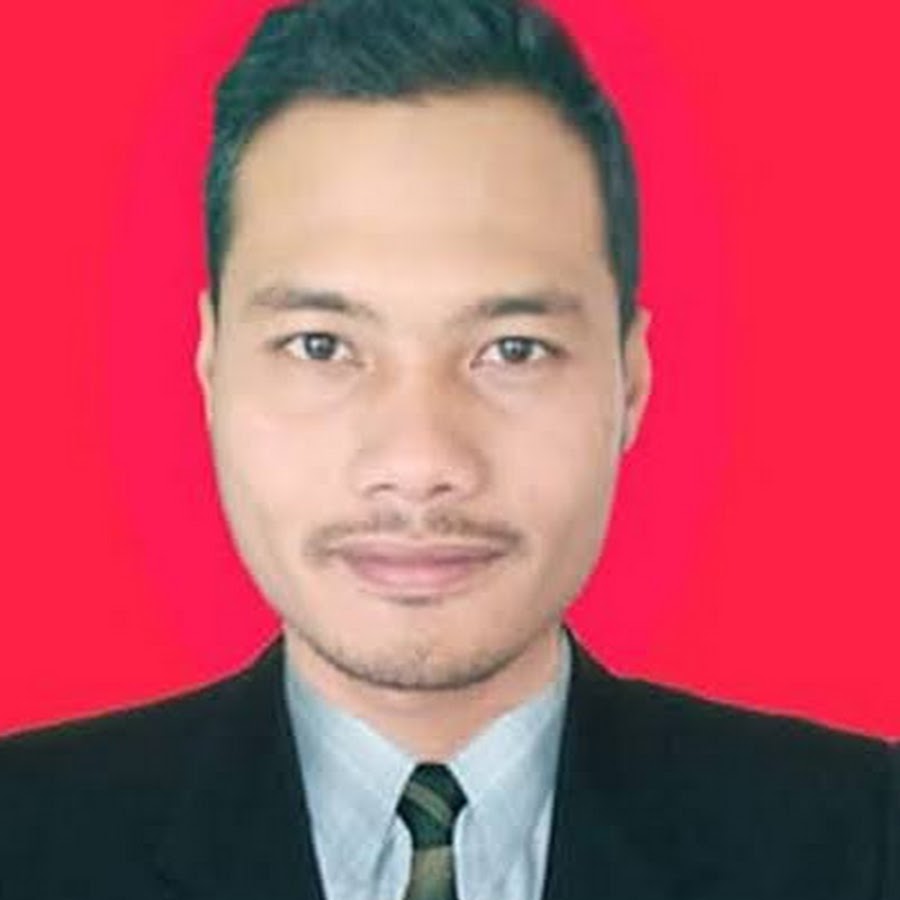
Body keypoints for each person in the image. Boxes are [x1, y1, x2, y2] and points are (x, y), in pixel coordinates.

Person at [1, 0, 897, 897]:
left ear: (630, 380)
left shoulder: (864, 838)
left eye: (513, 350)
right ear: (211, 367)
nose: (420, 461)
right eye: (322, 345)